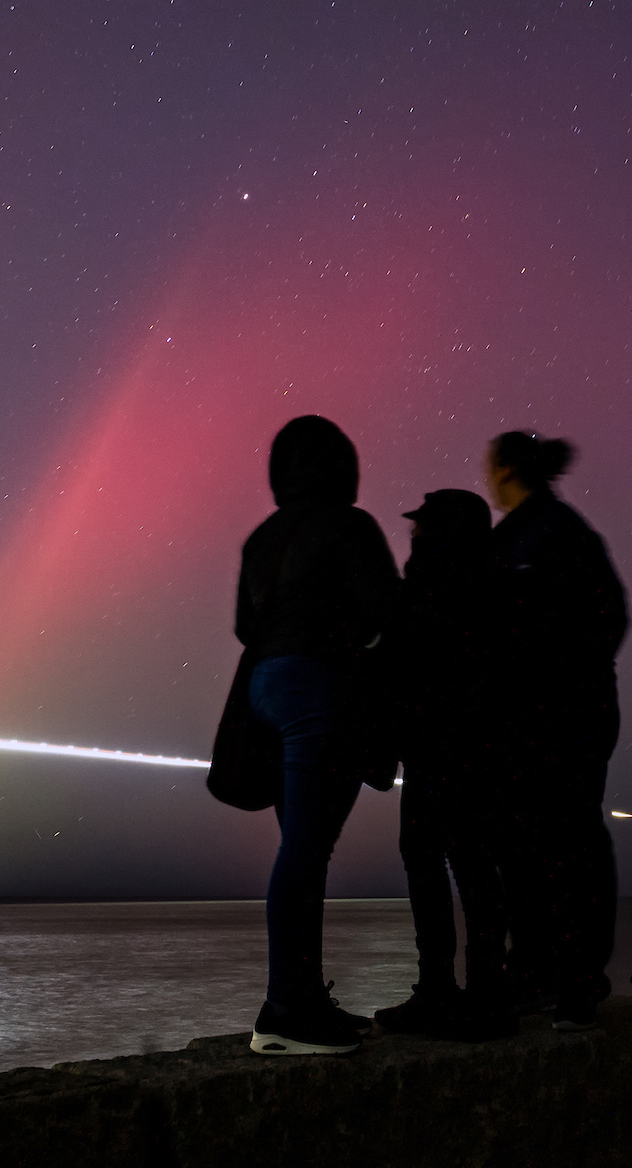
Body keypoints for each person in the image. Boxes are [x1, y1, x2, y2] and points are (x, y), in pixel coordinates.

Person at [224, 415, 399, 1056]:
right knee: (305, 850)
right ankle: (286, 1011)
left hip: (264, 686)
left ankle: (300, 996)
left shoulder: (260, 537)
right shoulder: (351, 526)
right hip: (318, 687)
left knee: (304, 847)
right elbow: (388, 612)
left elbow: (246, 625)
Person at [485, 429, 629, 1031]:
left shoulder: (541, 535)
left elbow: (603, 617)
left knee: (560, 842)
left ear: (508, 471)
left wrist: (556, 678)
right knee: (539, 842)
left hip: (559, 714)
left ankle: (569, 977)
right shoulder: (548, 533)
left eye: (489, 469)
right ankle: (550, 971)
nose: (485, 480)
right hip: (553, 712)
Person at [371, 488, 518, 1041]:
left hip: (442, 741)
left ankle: (455, 991)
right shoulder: (494, 579)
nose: (412, 532)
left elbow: (409, 654)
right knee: (463, 862)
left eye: (422, 525)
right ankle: (477, 990)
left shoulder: (436, 579)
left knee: (444, 861)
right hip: (468, 742)